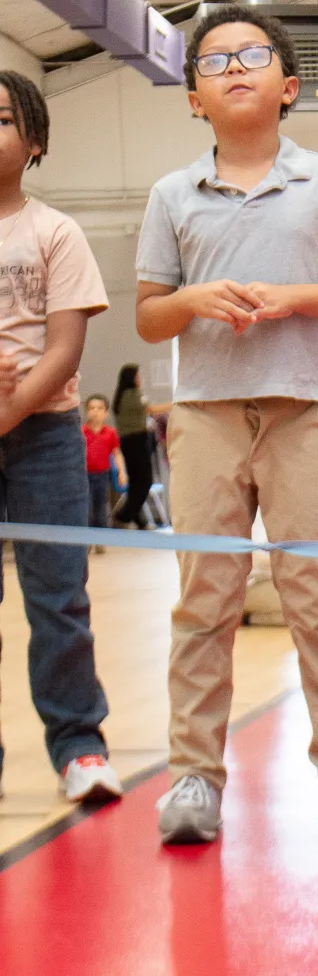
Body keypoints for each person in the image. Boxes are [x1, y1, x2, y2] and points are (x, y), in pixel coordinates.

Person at [135, 4, 318, 845]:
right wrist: (189, 301)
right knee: (203, 603)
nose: (234, 68)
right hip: (206, 419)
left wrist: (291, 299)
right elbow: (148, 318)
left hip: (300, 416)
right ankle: (192, 782)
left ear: (289, 86)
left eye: (254, 56)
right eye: (214, 62)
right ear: (193, 99)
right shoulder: (172, 194)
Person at [0, 71, 122, 804]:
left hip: (42, 435)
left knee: (58, 599)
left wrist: (9, 412)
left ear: (35, 140)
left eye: (3, 118)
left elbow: (65, 350)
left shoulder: (54, 231)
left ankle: (79, 745)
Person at [110, 365, 168, 527]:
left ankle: (135, 517)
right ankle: (123, 515)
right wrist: (176, 403)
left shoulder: (121, 396)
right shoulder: (134, 394)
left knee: (136, 482)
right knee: (144, 482)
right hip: (137, 441)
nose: (140, 378)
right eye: (138, 376)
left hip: (128, 442)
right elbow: (152, 409)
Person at [83, 393, 128, 537]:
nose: (95, 411)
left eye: (99, 408)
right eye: (91, 408)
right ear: (86, 411)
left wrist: (122, 472)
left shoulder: (110, 433)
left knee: (100, 506)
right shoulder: (81, 432)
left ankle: (101, 538)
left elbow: (117, 454)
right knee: (86, 507)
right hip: (84, 475)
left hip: (102, 475)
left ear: (106, 412)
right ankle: (86, 538)